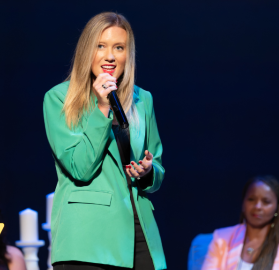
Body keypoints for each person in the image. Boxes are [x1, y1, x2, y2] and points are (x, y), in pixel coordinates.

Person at [43, 12, 166, 270]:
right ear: (87, 50)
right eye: (101, 46)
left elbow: (157, 166)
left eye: (119, 48)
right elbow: (80, 167)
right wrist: (101, 108)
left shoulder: (143, 100)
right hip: (88, 237)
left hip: (139, 231)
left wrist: (146, 172)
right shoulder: (59, 99)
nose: (110, 56)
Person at [201, 176, 279, 270]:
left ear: (277, 209)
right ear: (243, 204)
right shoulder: (221, 238)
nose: (257, 206)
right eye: (251, 199)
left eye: (266, 202)